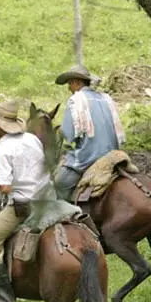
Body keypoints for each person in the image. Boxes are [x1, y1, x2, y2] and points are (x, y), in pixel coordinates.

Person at [0, 99, 55, 302]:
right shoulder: (31, 139)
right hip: (48, 199)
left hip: (24, 205)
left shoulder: (3, 147)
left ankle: (4, 298)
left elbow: (4, 188)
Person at [53, 64, 126, 201]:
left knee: (59, 185)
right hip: (112, 154)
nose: (69, 88)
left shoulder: (76, 101)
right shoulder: (106, 99)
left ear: (76, 82)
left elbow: (68, 135)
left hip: (88, 158)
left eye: (70, 83)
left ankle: (64, 217)